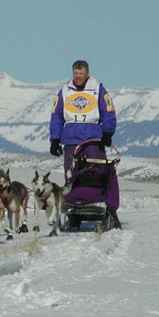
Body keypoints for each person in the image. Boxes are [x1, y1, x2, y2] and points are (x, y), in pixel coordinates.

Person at [49, 60, 120, 223]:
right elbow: (56, 116)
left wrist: (108, 132)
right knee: (71, 175)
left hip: (93, 139)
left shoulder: (97, 89)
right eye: (75, 74)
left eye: (81, 74)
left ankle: (106, 206)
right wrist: (54, 139)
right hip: (71, 139)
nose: (78, 77)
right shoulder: (65, 91)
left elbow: (108, 111)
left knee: (98, 173)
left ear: (87, 73)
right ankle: (74, 207)